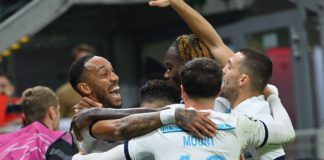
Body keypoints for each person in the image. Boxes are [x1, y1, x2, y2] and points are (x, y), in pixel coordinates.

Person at [149, 0, 293, 159]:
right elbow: (213, 42)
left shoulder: (251, 112)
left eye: (170, 67)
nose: (223, 69)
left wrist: (273, 98)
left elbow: (287, 133)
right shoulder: (220, 99)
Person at [72, 58, 294, 160]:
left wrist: (83, 129)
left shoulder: (158, 132)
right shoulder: (240, 124)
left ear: (182, 90)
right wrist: (273, 97)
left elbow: (89, 156)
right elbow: (287, 133)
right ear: (219, 91)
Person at [69, 55, 217, 154]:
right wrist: (173, 113)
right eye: (103, 74)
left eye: (113, 71)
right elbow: (119, 128)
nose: (115, 77)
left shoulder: (91, 115)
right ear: (85, 88)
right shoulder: (84, 123)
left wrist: (96, 112)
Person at [0, 86, 77, 160]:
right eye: (58, 110)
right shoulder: (59, 141)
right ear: (52, 112)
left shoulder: (2, 140)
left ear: (24, 114)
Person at [56, 44, 95, 118]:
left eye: (90, 60)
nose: (86, 65)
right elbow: (58, 123)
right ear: (74, 64)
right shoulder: (63, 93)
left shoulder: (103, 89)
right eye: (81, 61)